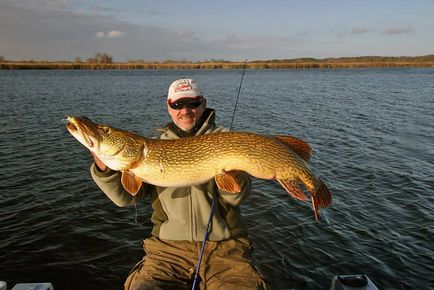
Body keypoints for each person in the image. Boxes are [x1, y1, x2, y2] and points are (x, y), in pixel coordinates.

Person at [90, 78, 268, 290]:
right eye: (177, 105)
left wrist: (233, 171)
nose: (185, 110)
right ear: (169, 107)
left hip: (226, 249)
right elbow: (125, 198)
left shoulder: (226, 139)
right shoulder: (151, 148)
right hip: (167, 251)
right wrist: (103, 167)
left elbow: (236, 197)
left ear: (203, 104)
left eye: (193, 103)